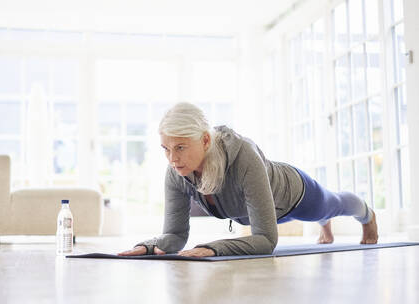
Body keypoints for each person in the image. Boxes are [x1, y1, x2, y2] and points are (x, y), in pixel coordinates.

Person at [118, 102, 378, 258]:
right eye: (166, 148)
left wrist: (214, 248)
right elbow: (175, 235)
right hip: (259, 211)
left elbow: (266, 240)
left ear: (205, 140)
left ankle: (367, 214)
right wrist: (149, 246)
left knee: (334, 203)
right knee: (322, 214)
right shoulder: (176, 173)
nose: (172, 158)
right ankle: (324, 223)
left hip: (294, 196)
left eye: (181, 148)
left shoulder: (244, 155)